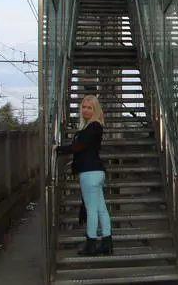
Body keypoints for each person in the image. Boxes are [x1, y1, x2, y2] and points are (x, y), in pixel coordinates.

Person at [55, 95, 112, 256]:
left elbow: (79, 146)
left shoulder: (93, 126)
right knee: (100, 209)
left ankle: (91, 243)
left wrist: (59, 149)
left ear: (95, 110)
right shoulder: (92, 126)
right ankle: (107, 242)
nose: (86, 110)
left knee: (92, 209)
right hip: (95, 171)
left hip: (90, 172)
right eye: (84, 107)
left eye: (89, 108)